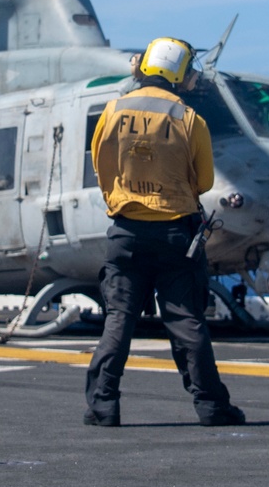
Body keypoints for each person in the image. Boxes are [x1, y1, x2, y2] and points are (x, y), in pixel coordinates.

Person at [84, 37, 246, 428]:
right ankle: (211, 407)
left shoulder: (112, 111)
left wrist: (125, 199)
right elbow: (205, 181)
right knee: (186, 322)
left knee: (118, 320)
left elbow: (100, 165)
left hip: (126, 233)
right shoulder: (189, 119)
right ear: (180, 74)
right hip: (177, 236)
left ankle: (102, 407)